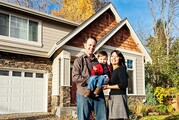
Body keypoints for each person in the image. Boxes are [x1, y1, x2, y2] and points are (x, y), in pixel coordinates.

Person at [72, 36, 108, 120]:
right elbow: (75, 77)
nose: (91, 47)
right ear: (85, 45)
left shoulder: (99, 61)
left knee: (103, 117)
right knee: (83, 118)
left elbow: (104, 74)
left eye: (94, 46)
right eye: (90, 45)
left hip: (98, 94)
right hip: (83, 94)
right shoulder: (78, 60)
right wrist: (90, 80)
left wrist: (106, 79)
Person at [103, 50, 129, 120]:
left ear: (120, 58)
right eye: (112, 56)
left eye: (116, 56)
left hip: (119, 97)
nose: (113, 58)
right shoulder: (112, 71)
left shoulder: (120, 69)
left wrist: (108, 87)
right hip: (112, 97)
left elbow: (124, 84)